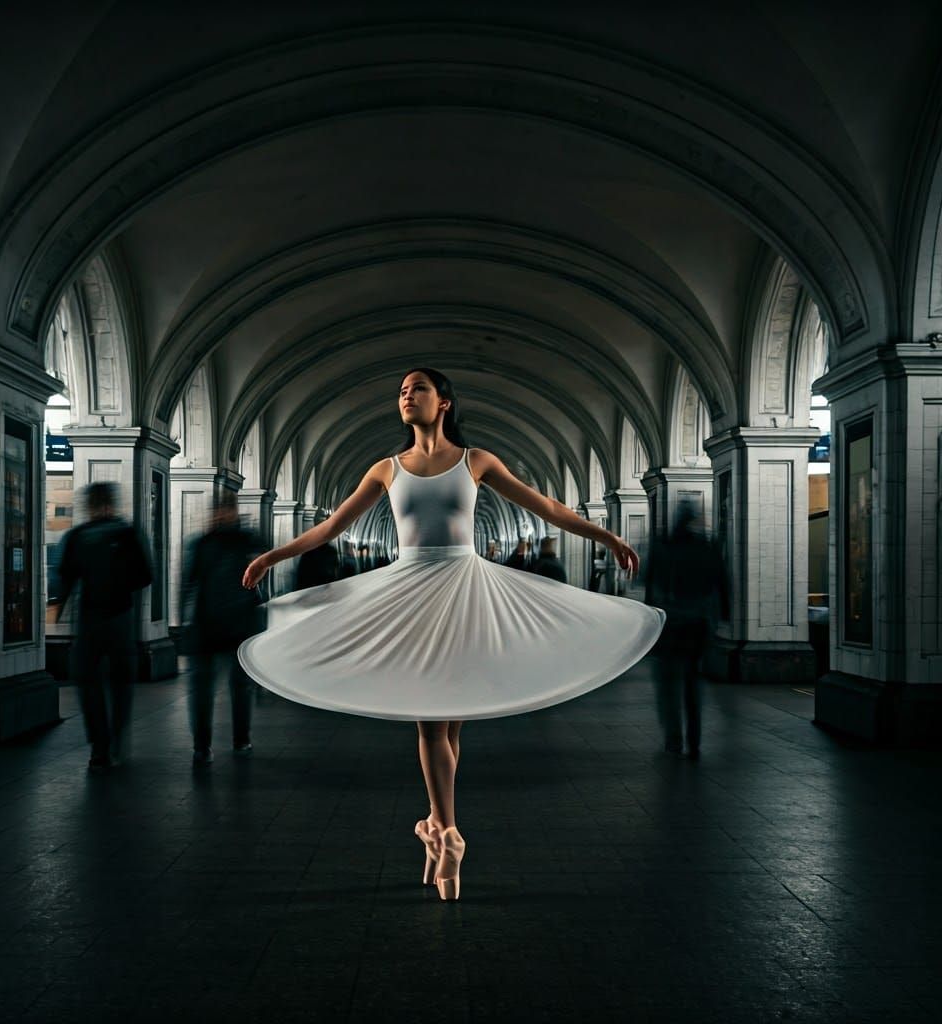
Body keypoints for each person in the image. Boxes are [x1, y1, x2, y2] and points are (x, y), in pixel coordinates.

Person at [239, 368, 664, 900]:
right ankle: (440, 827)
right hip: (411, 595)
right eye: (401, 391)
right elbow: (331, 527)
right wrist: (271, 556)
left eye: (417, 388)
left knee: (441, 722)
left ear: (443, 402)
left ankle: (446, 832)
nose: (406, 396)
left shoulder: (476, 461)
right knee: (436, 722)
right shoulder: (386, 469)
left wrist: (607, 536)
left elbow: (548, 507)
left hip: (464, 592)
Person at [56, 482, 152, 772]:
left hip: (89, 617)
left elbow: (66, 576)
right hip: (120, 615)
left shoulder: (77, 536)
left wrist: (60, 609)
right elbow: (145, 575)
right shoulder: (127, 534)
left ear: (89, 506)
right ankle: (117, 740)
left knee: (88, 682)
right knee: (121, 682)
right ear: (112, 504)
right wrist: (121, 584)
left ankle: (99, 745)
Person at [180, 492, 264, 766]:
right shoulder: (234, 541)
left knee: (230, 687)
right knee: (216, 689)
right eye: (219, 510)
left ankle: (234, 740)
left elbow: (189, 583)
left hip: (231, 625)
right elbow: (189, 583)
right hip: (214, 626)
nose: (221, 515)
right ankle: (205, 745)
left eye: (225, 510)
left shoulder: (223, 541)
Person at [644, 503, 729, 759]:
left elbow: (650, 585)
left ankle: (673, 740)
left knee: (668, 685)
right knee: (693, 683)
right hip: (698, 625)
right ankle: (694, 739)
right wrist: (722, 616)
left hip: (671, 624)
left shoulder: (663, 547)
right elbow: (722, 584)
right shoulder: (708, 548)